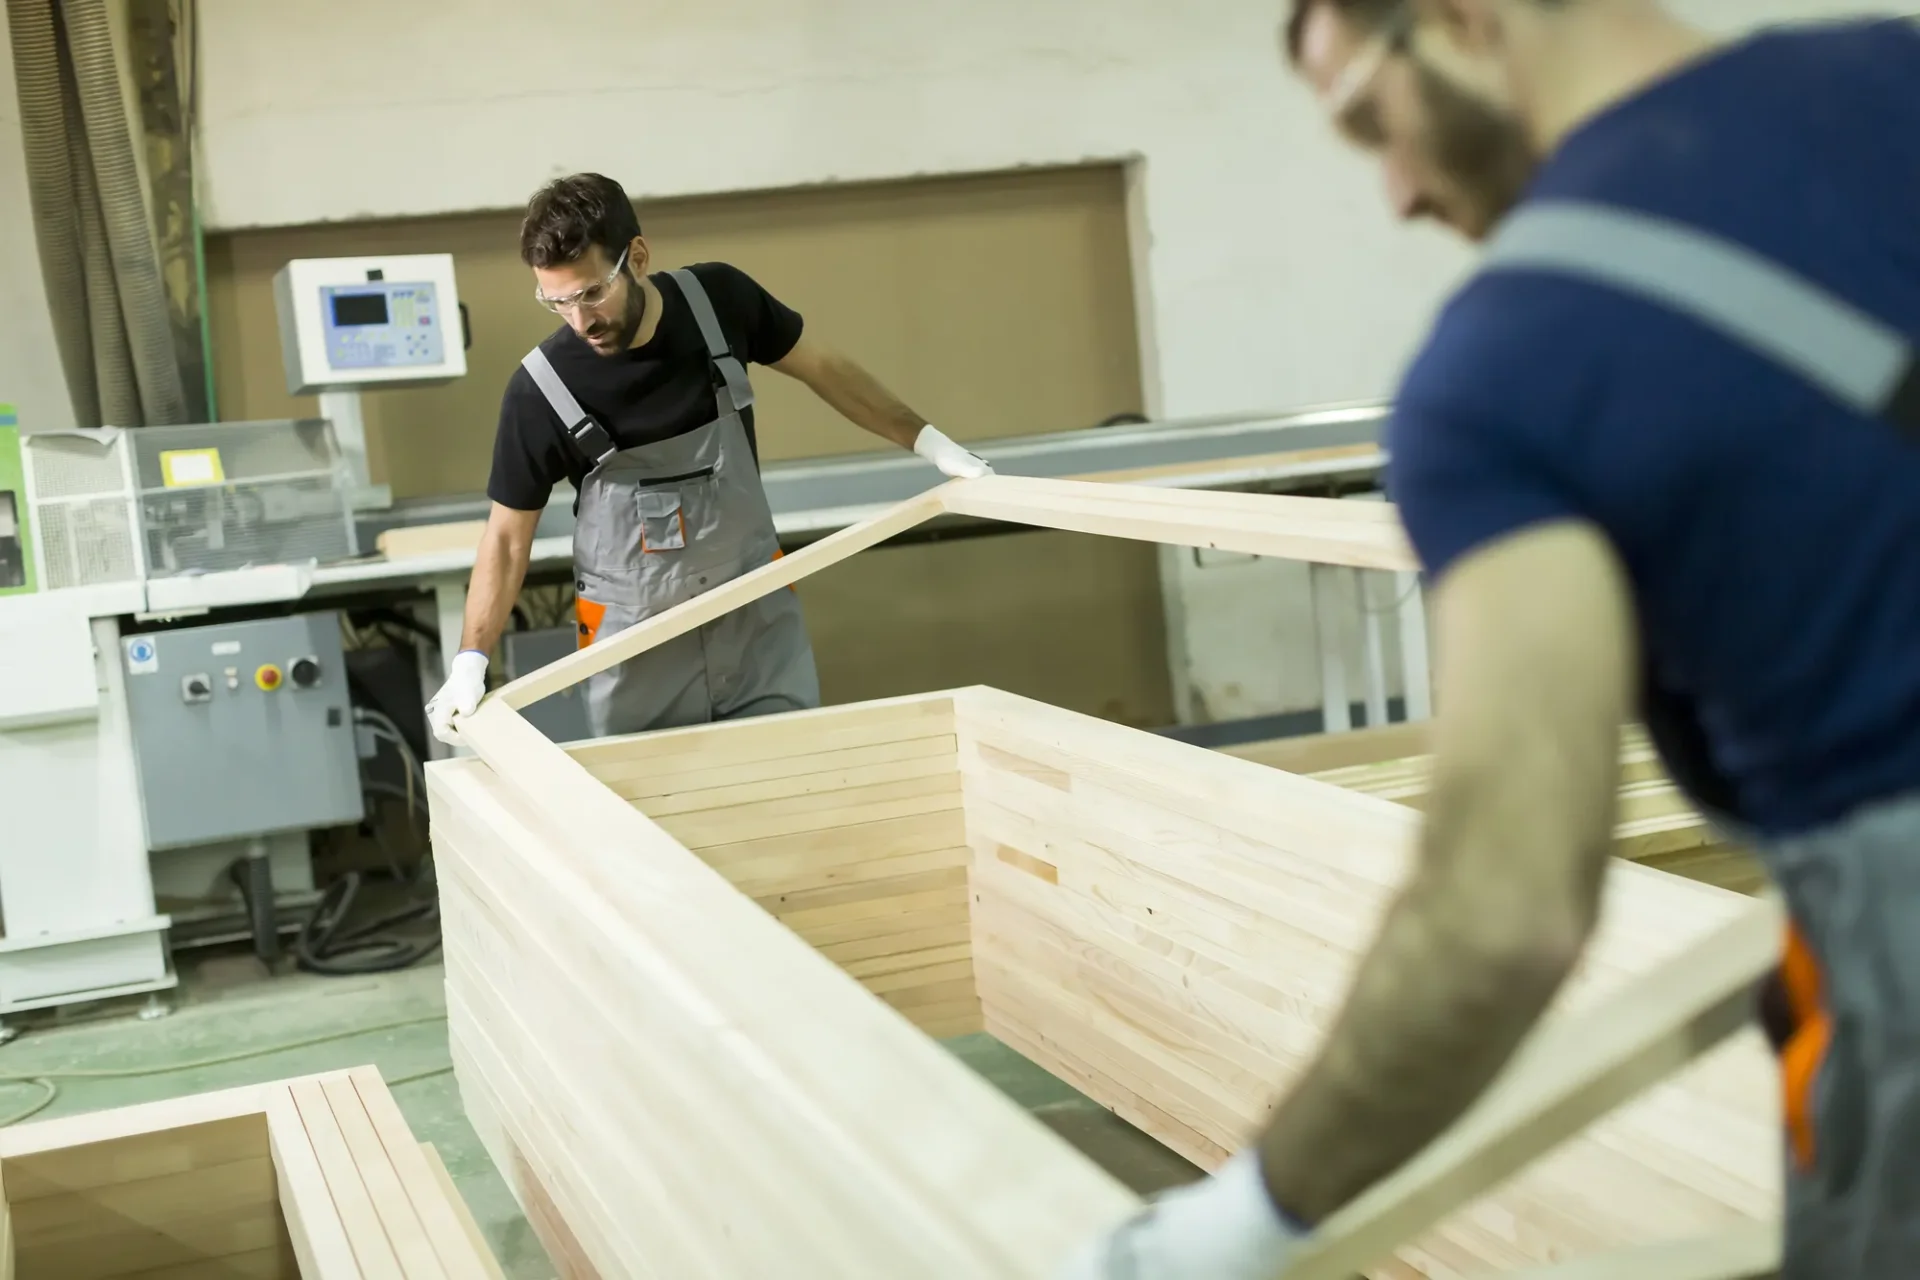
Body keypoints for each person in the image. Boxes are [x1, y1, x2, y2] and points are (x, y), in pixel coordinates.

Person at [1064, 2, 1920, 1276]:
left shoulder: (1504, 373)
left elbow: (1503, 907)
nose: (1399, 193)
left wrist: (1234, 1225)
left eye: (1371, 124)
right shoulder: (1896, 69)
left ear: (1462, 19)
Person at [425, 173, 991, 746]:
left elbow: (826, 370)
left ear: (638, 257)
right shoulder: (540, 389)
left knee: (786, 787)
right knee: (651, 814)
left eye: (592, 292)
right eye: (558, 301)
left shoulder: (720, 303)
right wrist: (471, 659)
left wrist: (931, 443)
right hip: (635, 649)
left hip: (756, 623)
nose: (580, 320)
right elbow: (504, 538)